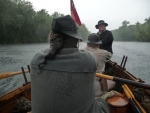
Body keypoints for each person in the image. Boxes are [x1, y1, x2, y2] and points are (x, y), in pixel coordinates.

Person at [30, 15, 109, 113]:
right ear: (76, 38)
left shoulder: (36, 59)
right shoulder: (89, 60)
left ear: (51, 36)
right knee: (102, 102)